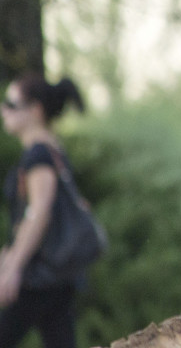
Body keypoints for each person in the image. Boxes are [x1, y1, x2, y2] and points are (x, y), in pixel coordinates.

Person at [0, 73, 88, 348]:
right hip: (57, 276)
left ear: (35, 110)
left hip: (38, 275)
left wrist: (13, 267)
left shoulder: (39, 154)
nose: (3, 110)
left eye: (11, 104)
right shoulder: (53, 150)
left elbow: (39, 212)